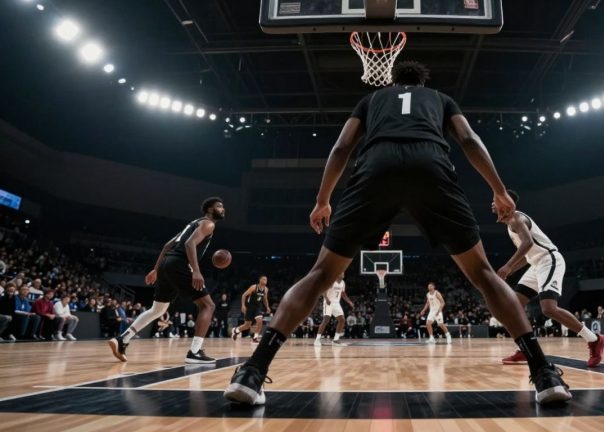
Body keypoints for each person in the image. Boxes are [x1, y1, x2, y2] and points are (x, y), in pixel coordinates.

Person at [224, 61, 571, 406]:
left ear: (391, 79)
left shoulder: (371, 100)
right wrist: (499, 189)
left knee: (319, 275)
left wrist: (322, 199)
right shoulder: (440, 99)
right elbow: (468, 139)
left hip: (376, 165)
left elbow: (342, 148)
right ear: (422, 83)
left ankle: (253, 371)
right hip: (431, 164)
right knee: (482, 273)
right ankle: (543, 373)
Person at [496, 192, 604, 367]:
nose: (492, 204)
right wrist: (509, 271)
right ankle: (527, 349)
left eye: (494, 200)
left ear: (506, 203)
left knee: (548, 309)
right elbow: (527, 256)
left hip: (549, 260)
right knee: (513, 307)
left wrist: (508, 266)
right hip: (536, 264)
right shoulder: (510, 224)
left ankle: (594, 339)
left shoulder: (517, 219)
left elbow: (528, 244)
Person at [108, 197, 225, 364]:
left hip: (167, 264)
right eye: (219, 206)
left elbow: (167, 245)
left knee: (158, 310)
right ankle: (195, 352)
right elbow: (190, 244)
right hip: (179, 264)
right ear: (209, 210)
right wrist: (196, 271)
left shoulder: (193, 224)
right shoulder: (208, 224)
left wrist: (156, 269)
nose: (223, 209)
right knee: (208, 305)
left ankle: (122, 339)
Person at [314, 273, 354, 345]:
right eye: (341, 273)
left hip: (336, 303)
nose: (343, 274)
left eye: (344, 273)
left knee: (342, 320)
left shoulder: (342, 283)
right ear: (337, 274)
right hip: (328, 302)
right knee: (326, 319)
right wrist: (326, 299)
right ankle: (317, 339)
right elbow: (324, 290)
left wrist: (349, 301)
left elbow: (343, 294)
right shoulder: (332, 281)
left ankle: (335, 340)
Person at [232, 276, 271, 343]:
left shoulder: (266, 289)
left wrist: (267, 307)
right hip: (250, 307)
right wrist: (243, 305)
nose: (265, 280)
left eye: (266, 279)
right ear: (260, 280)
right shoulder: (254, 287)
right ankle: (236, 330)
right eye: (264, 279)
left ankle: (255, 338)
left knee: (260, 321)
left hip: (258, 307)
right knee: (247, 325)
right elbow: (244, 295)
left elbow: (265, 299)